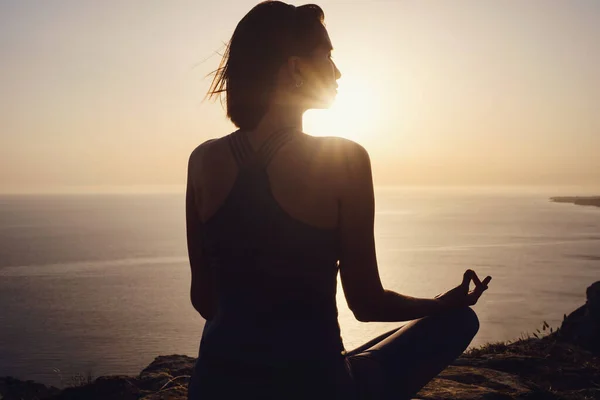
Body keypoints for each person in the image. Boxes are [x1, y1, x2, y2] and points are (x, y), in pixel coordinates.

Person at [185, 2, 492, 399]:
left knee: (360, 354)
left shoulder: (202, 159)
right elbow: (367, 303)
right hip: (315, 386)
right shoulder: (344, 159)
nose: (338, 70)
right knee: (459, 323)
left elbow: (203, 298)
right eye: (328, 56)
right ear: (295, 68)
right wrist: (440, 303)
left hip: (215, 385)